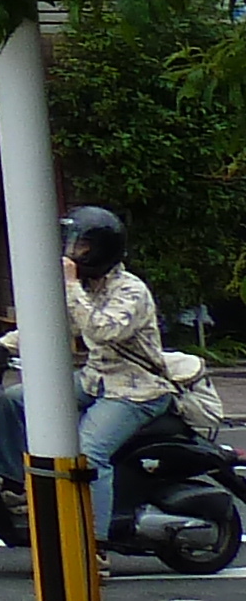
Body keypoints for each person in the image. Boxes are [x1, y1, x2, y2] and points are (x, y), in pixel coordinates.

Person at [66, 204, 178, 540]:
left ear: (101, 249)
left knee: (89, 453)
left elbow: (102, 330)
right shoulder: (87, 287)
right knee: (17, 401)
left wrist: (70, 286)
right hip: (95, 380)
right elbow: (53, 325)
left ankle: (94, 543)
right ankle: (24, 490)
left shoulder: (130, 290)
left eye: (81, 246)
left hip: (136, 391)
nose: (73, 253)